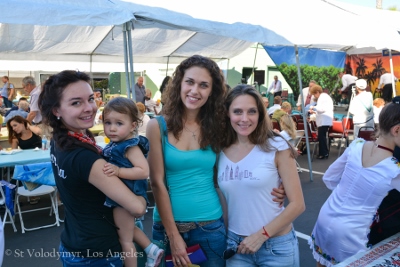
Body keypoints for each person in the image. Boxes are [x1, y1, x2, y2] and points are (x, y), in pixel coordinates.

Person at [147, 55, 286, 267]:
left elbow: (252, 137)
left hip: (211, 226)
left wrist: (283, 171)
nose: (195, 91)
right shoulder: (157, 126)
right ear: (179, 84)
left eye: (204, 85)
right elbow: (156, 183)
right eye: (190, 82)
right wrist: (174, 237)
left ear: (211, 91)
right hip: (167, 228)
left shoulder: (218, 126)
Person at [38, 70, 146, 266]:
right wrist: (142, 194)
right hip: (98, 253)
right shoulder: (84, 158)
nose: (89, 108)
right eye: (76, 103)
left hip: (74, 243)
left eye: (90, 99)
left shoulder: (60, 140)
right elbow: (137, 208)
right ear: (56, 110)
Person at [218, 85, 305, 267]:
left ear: (260, 113)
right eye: (237, 112)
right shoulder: (219, 150)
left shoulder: (276, 146)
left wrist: (260, 236)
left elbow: (298, 205)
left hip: (276, 247)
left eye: (251, 111)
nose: (244, 119)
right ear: (227, 114)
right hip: (237, 246)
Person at [309, 96, 400, 267]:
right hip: (352, 231)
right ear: (396, 130)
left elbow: (329, 177)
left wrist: (348, 194)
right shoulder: (394, 170)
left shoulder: (356, 145)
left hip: (326, 214)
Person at [101, 97, 164, 267]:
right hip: (121, 196)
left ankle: (146, 253)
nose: (112, 128)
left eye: (119, 123)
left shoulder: (130, 147)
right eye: (108, 123)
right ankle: (151, 249)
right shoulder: (116, 144)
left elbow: (144, 171)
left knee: (126, 241)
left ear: (133, 126)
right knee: (127, 229)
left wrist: (118, 171)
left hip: (126, 197)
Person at [309, 85, 333, 159]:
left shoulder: (322, 98)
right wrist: (315, 111)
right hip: (325, 119)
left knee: (321, 138)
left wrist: (313, 107)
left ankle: (323, 153)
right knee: (322, 137)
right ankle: (324, 152)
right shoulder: (325, 97)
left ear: (317, 92)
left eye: (314, 94)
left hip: (324, 121)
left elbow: (321, 109)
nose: (314, 96)